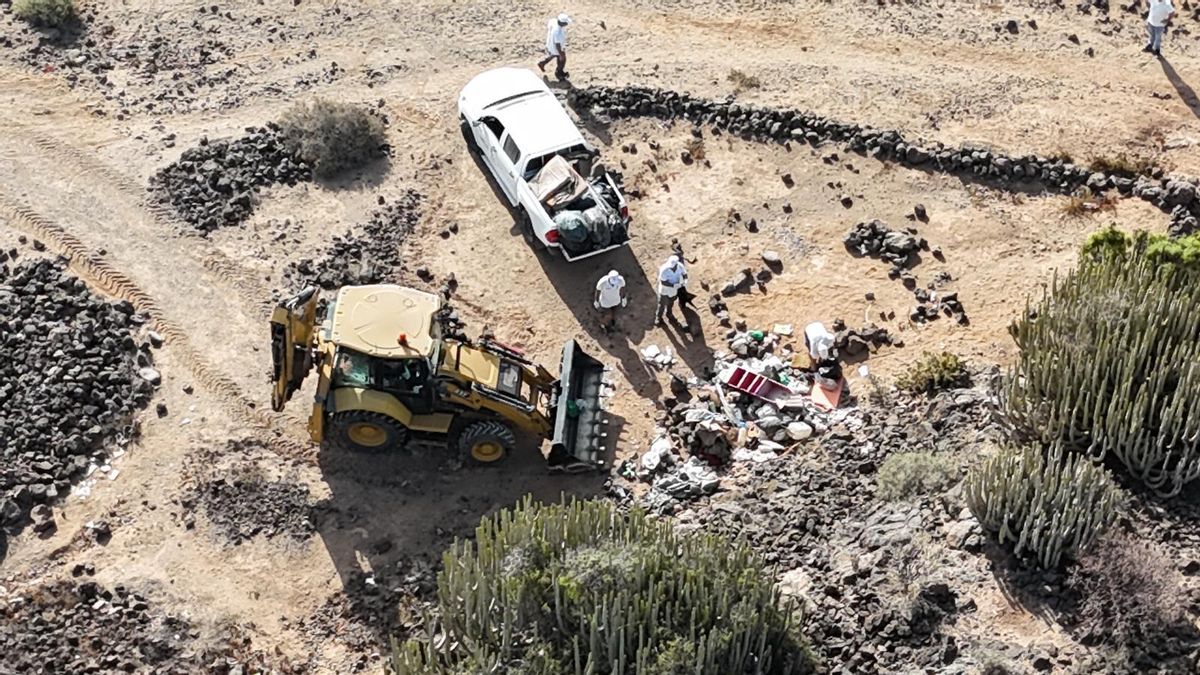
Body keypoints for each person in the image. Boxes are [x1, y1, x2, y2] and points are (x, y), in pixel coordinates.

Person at [655, 255, 688, 327]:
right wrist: (673, 285)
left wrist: (685, 281)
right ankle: (658, 317)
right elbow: (664, 282)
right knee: (662, 304)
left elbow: (685, 274)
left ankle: (669, 313)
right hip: (665, 290)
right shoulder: (664, 269)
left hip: (674, 291)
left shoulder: (680, 266)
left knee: (671, 302)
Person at [537, 13, 571, 79]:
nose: (567, 24)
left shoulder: (553, 21)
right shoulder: (558, 33)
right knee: (562, 59)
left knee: (553, 54)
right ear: (562, 23)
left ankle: (542, 63)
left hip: (550, 42)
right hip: (555, 46)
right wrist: (561, 54)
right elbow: (557, 45)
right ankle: (559, 73)